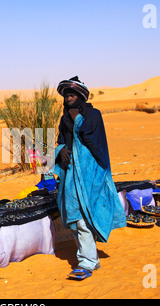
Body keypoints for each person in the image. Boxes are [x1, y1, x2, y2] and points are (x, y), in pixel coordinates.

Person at [52, 76, 126, 280]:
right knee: (76, 220)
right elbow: (60, 140)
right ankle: (89, 258)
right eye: (66, 95)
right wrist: (60, 151)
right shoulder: (64, 117)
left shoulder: (93, 115)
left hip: (91, 174)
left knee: (86, 220)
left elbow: (96, 143)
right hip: (71, 176)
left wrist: (78, 122)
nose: (68, 98)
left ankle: (87, 262)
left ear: (81, 96)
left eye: (72, 94)